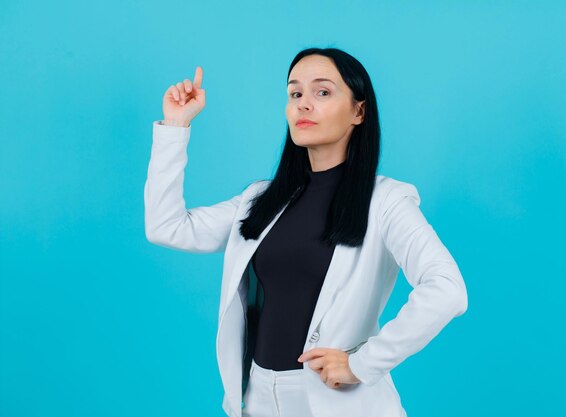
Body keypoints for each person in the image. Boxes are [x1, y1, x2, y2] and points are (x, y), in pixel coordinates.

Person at [144, 47, 468, 417]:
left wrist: (362, 363)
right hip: (260, 397)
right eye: (295, 93)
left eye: (323, 92)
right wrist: (176, 126)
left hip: (339, 403)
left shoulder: (387, 202)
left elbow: (447, 290)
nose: (303, 104)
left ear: (358, 111)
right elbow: (166, 227)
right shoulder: (261, 200)